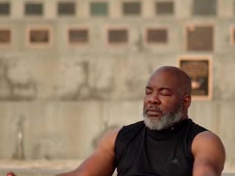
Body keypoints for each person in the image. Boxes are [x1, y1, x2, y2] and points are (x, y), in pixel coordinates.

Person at [56, 66, 225, 176]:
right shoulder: (118, 138)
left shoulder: (203, 141)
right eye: (148, 92)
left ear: (186, 101)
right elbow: (83, 174)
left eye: (164, 93)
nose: (153, 99)